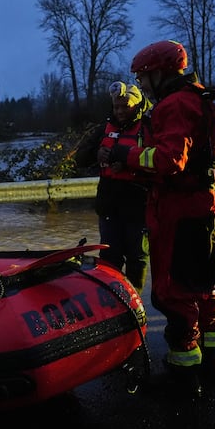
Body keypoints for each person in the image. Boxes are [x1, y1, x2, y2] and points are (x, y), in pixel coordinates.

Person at [106, 40, 215, 398]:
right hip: (209, 206)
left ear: (161, 73)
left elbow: (168, 160)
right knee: (204, 288)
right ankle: (210, 361)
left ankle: (183, 372)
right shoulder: (203, 97)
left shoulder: (175, 105)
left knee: (174, 292)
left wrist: (128, 156)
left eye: (144, 77)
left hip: (181, 211)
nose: (141, 85)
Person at [74, 81, 152, 294]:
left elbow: (164, 164)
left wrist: (129, 162)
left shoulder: (149, 128)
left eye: (124, 106)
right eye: (116, 107)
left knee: (137, 257)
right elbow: (79, 158)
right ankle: (113, 300)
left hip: (139, 206)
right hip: (109, 206)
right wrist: (96, 154)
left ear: (136, 105)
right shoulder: (104, 128)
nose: (119, 111)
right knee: (109, 257)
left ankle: (134, 298)